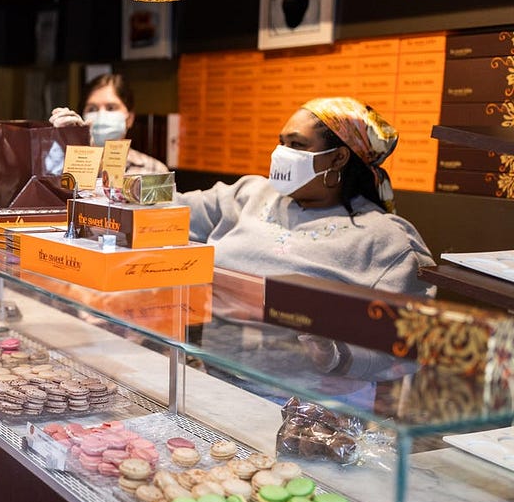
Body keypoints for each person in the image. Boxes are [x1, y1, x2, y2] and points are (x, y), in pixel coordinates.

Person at [177, 97, 435, 378]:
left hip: (308, 407)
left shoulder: (386, 239)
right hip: (214, 380)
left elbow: (409, 340)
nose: (281, 153)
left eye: (297, 145)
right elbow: (170, 212)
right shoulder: (249, 194)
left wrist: (335, 354)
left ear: (338, 157)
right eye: (281, 142)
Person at [49, 73, 169, 175]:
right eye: (92, 109)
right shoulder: (63, 165)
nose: (101, 115)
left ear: (130, 118)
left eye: (111, 108)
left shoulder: (154, 171)